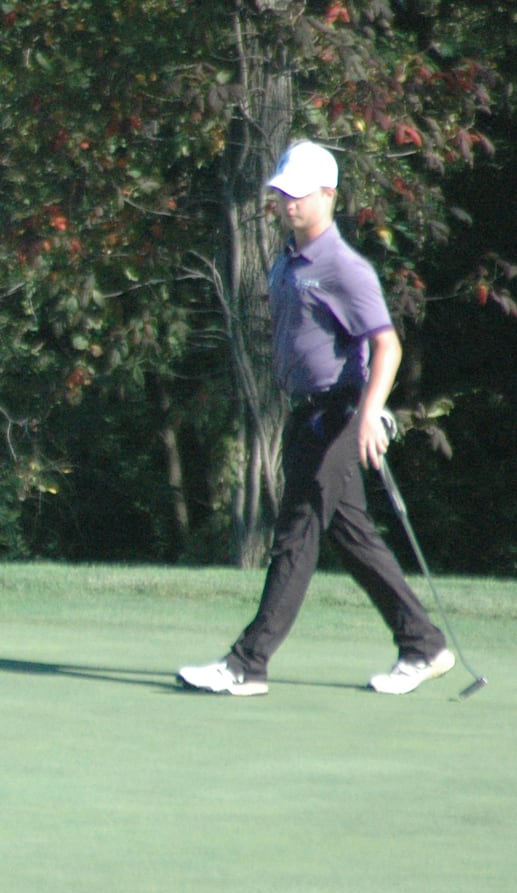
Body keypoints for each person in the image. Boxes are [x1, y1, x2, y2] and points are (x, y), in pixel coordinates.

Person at [176, 140, 453, 696]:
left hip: (341, 411)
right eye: (282, 194)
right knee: (351, 536)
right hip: (308, 414)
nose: (287, 203)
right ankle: (424, 645)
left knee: (297, 532)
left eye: (299, 195)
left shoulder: (344, 267)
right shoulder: (286, 259)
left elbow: (388, 346)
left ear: (329, 195)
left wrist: (372, 415)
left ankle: (246, 663)